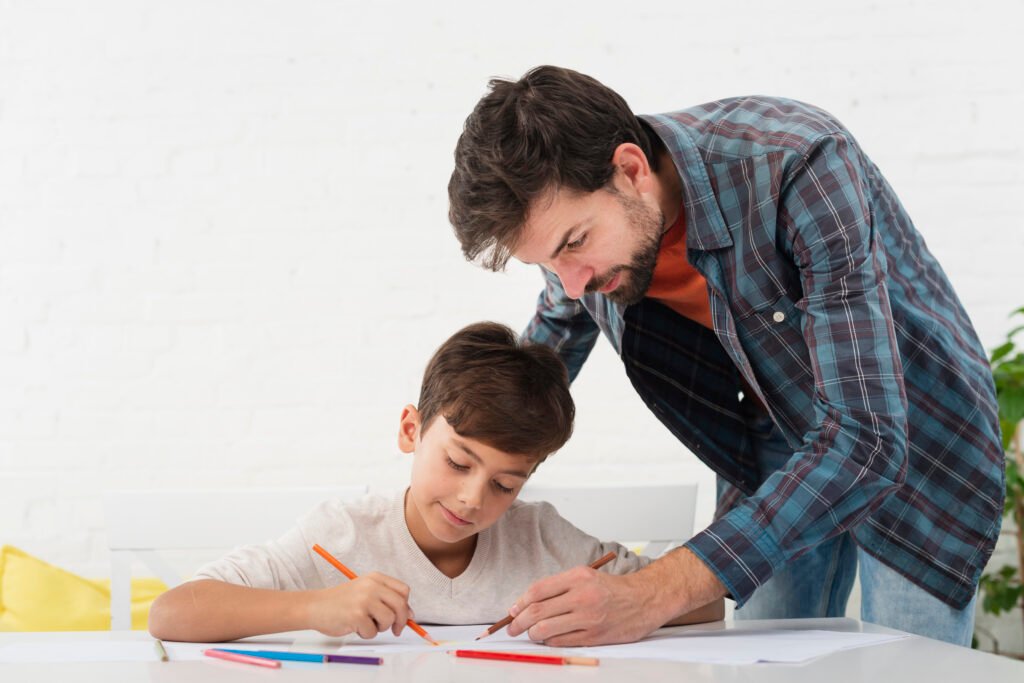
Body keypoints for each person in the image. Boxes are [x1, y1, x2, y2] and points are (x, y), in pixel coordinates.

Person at [446, 66, 1005, 647]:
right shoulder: (573, 235)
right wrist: (437, 492)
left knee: (907, 670)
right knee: (763, 659)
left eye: (575, 245)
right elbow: (534, 369)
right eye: (548, 262)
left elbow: (865, 438)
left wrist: (648, 594)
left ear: (631, 170)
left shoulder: (798, 162)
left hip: (916, 442)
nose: (573, 286)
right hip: (774, 443)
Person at [147, 321, 723, 642]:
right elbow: (170, 614)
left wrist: (622, 604)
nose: (474, 498)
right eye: (458, 462)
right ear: (410, 430)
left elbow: (705, 608)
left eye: (505, 485)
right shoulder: (340, 536)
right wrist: (314, 607)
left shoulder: (543, 540)